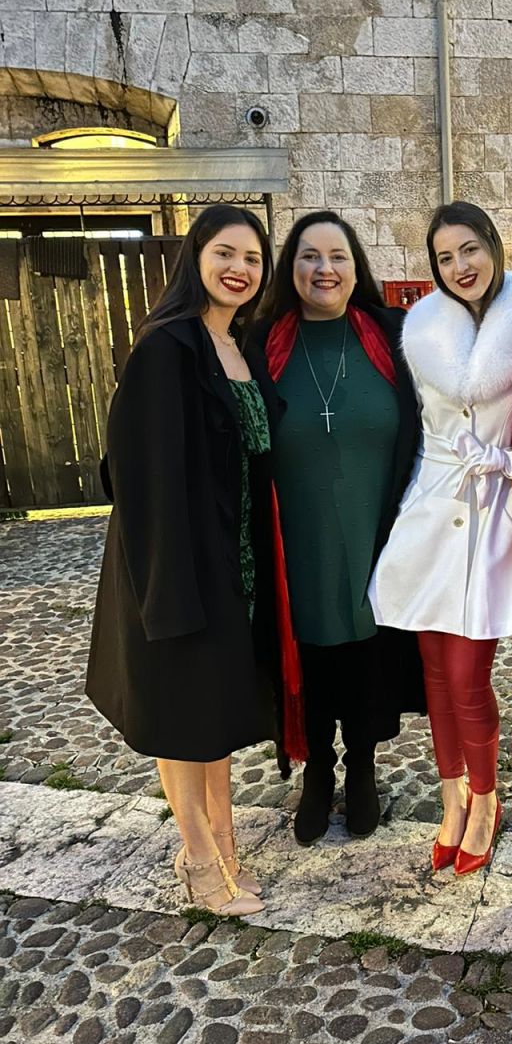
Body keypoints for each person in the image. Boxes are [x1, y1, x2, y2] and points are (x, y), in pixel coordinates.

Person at [86, 204, 302, 917]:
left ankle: (226, 848)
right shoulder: (167, 348)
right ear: (196, 258)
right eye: (225, 253)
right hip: (177, 568)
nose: (239, 269)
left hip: (233, 566)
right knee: (182, 717)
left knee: (212, 717)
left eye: (252, 258)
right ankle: (201, 862)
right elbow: (139, 477)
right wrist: (168, 591)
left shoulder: (237, 345)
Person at [369, 202, 512, 875]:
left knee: (468, 674)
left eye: (470, 249)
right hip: (432, 505)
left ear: (492, 245)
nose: (460, 266)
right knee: (434, 670)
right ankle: (452, 798)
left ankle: (486, 800)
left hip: (494, 508)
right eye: (445, 257)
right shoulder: (422, 329)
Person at [254, 210, 424, 843]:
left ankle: (362, 770)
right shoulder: (260, 344)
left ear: (357, 269)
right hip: (294, 537)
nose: (323, 269)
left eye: (337, 256)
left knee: (368, 654)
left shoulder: (395, 337)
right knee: (312, 652)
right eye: (309, 256)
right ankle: (319, 772)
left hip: (376, 532)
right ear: (290, 268)